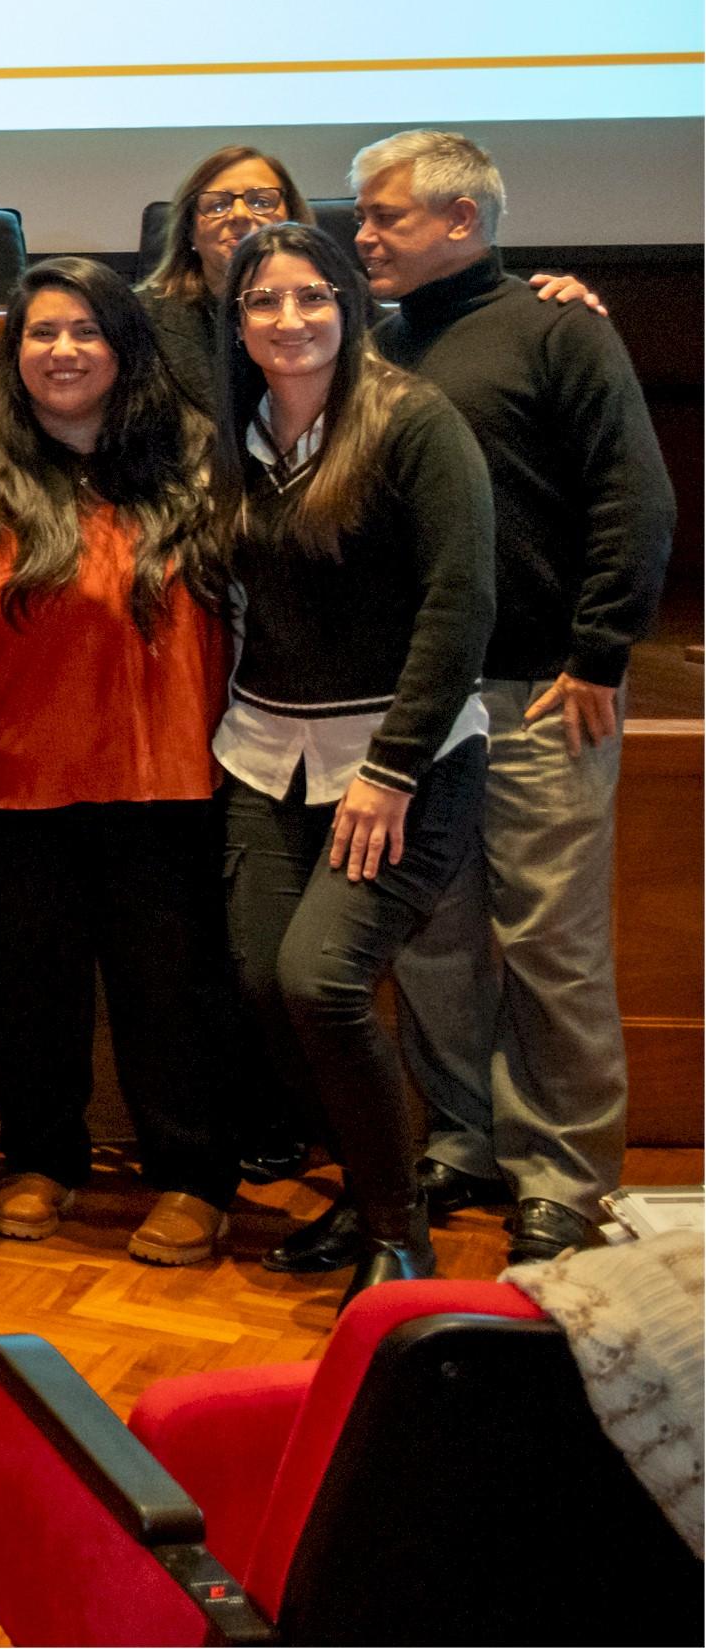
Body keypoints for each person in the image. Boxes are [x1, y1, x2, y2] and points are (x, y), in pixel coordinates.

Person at [355, 132, 673, 1266]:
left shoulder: (559, 326)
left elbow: (635, 498)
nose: (363, 234)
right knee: (435, 943)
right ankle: (465, 1138)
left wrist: (598, 654)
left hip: (544, 691)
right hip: (417, 704)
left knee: (551, 943)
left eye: (384, 215)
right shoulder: (377, 350)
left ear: (460, 219)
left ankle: (562, 1172)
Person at [0, 259, 240, 1266]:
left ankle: (190, 1176)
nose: (62, 351)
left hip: (168, 778)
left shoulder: (196, 454)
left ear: (124, 347)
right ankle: (40, 1157)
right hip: (7, 779)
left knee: (171, 994)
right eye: (42, 332)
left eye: (86, 331)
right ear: (14, 348)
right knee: (23, 991)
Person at [209, 223, 495, 1291]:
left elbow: (460, 602)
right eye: (263, 302)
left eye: (311, 296)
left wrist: (390, 768)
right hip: (263, 755)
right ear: (235, 321)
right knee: (256, 980)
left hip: (398, 761)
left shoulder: (415, 424)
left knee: (319, 979)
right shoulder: (231, 436)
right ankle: (364, 1188)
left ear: (349, 306)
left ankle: (396, 1234)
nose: (288, 320)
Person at [139, 147, 317, 415]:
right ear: (190, 231)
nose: (240, 215)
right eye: (218, 204)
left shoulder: (341, 298)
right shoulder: (140, 317)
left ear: (293, 220)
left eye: (260, 201)